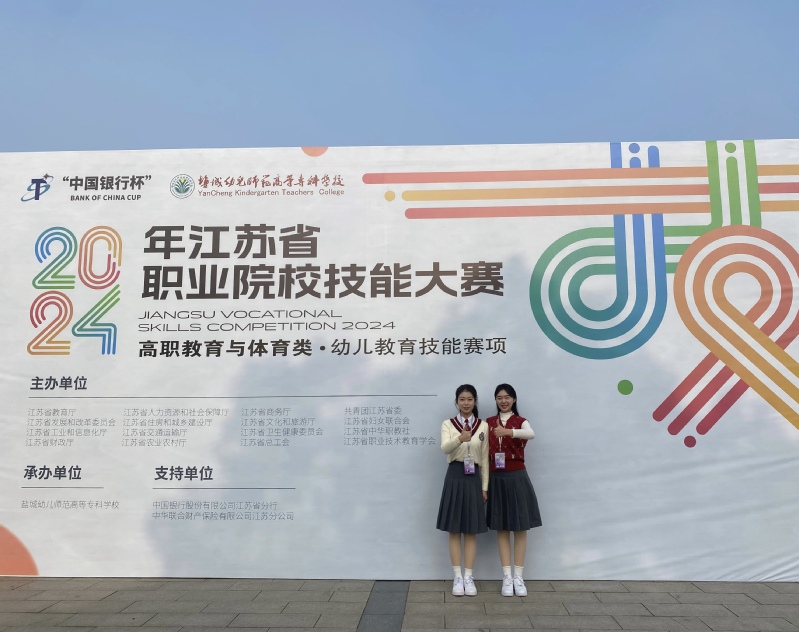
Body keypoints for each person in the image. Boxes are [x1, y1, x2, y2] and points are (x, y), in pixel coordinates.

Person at [486, 383, 542, 597]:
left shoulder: (520, 421)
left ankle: (519, 576)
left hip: (517, 476)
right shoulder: (488, 422)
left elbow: (531, 434)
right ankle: (507, 577)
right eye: (499, 397)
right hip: (496, 478)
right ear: (495, 400)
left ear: (514, 399)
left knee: (520, 528)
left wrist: (508, 432)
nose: (504, 401)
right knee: (502, 528)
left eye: (507, 397)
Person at [436, 384, 489, 597]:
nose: (466, 403)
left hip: (473, 476)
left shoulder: (483, 426)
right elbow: (444, 449)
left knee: (470, 529)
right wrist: (460, 438)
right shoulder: (448, 424)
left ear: (475, 401)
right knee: (455, 529)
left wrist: (484, 487)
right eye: (462, 399)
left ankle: (469, 576)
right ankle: (457, 577)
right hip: (455, 475)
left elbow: (484, 458)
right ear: (457, 402)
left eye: (470, 399)